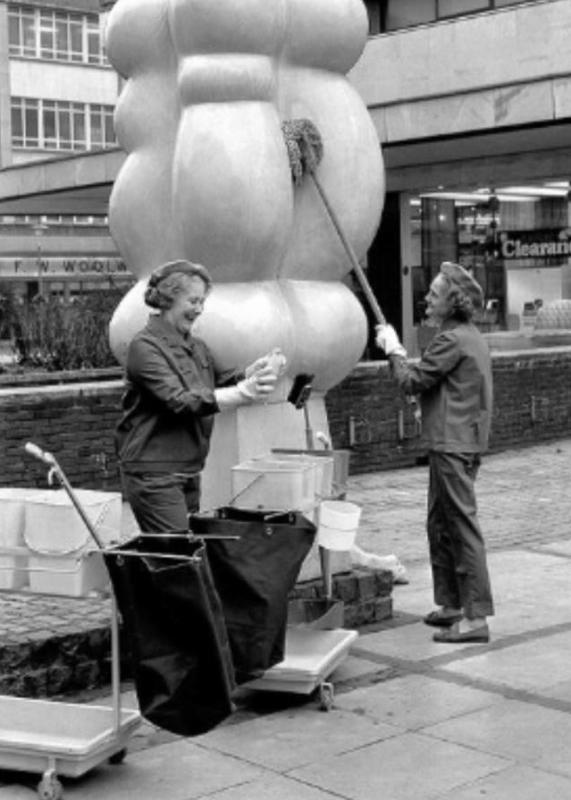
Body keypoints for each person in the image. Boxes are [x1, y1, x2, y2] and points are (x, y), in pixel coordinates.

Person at [116, 259, 281, 535]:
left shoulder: (197, 346)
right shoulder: (144, 348)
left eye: (202, 301)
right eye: (193, 301)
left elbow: (219, 383)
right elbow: (180, 401)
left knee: (179, 555)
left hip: (187, 467)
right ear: (169, 298)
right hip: (154, 473)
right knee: (180, 557)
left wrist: (253, 372)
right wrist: (243, 393)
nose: (199, 309)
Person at [375, 261, 494, 643]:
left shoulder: (451, 339)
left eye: (436, 293)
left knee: (460, 529)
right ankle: (452, 604)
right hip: (460, 441)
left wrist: (393, 349)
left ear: (453, 301)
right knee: (440, 524)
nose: (427, 296)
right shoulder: (468, 336)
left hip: (451, 443)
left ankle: (475, 619)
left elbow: (410, 381)